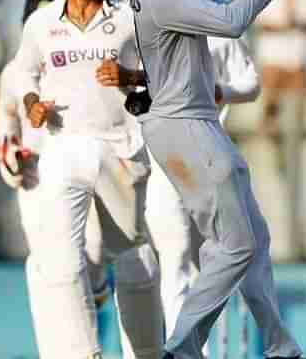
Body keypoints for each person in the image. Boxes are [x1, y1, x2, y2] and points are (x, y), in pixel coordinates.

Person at [128, 0, 306, 359]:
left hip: (189, 124)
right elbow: (231, 22)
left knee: (253, 237)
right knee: (236, 245)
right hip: (186, 126)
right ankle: (181, 350)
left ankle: (278, 346)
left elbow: (230, 10)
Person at [10, 0, 163, 359]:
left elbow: (167, 74)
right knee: (60, 261)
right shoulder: (42, 22)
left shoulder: (130, 15)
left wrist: (130, 78)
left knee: (135, 262)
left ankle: (148, 353)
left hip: (118, 151)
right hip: (63, 149)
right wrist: (31, 99)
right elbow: (24, 71)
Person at [97, 34, 262, 353]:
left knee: (215, 267)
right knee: (170, 259)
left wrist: (222, 91)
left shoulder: (217, 32)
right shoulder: (137, 32)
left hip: (206, 159)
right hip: (158, 161)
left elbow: (251, 83)